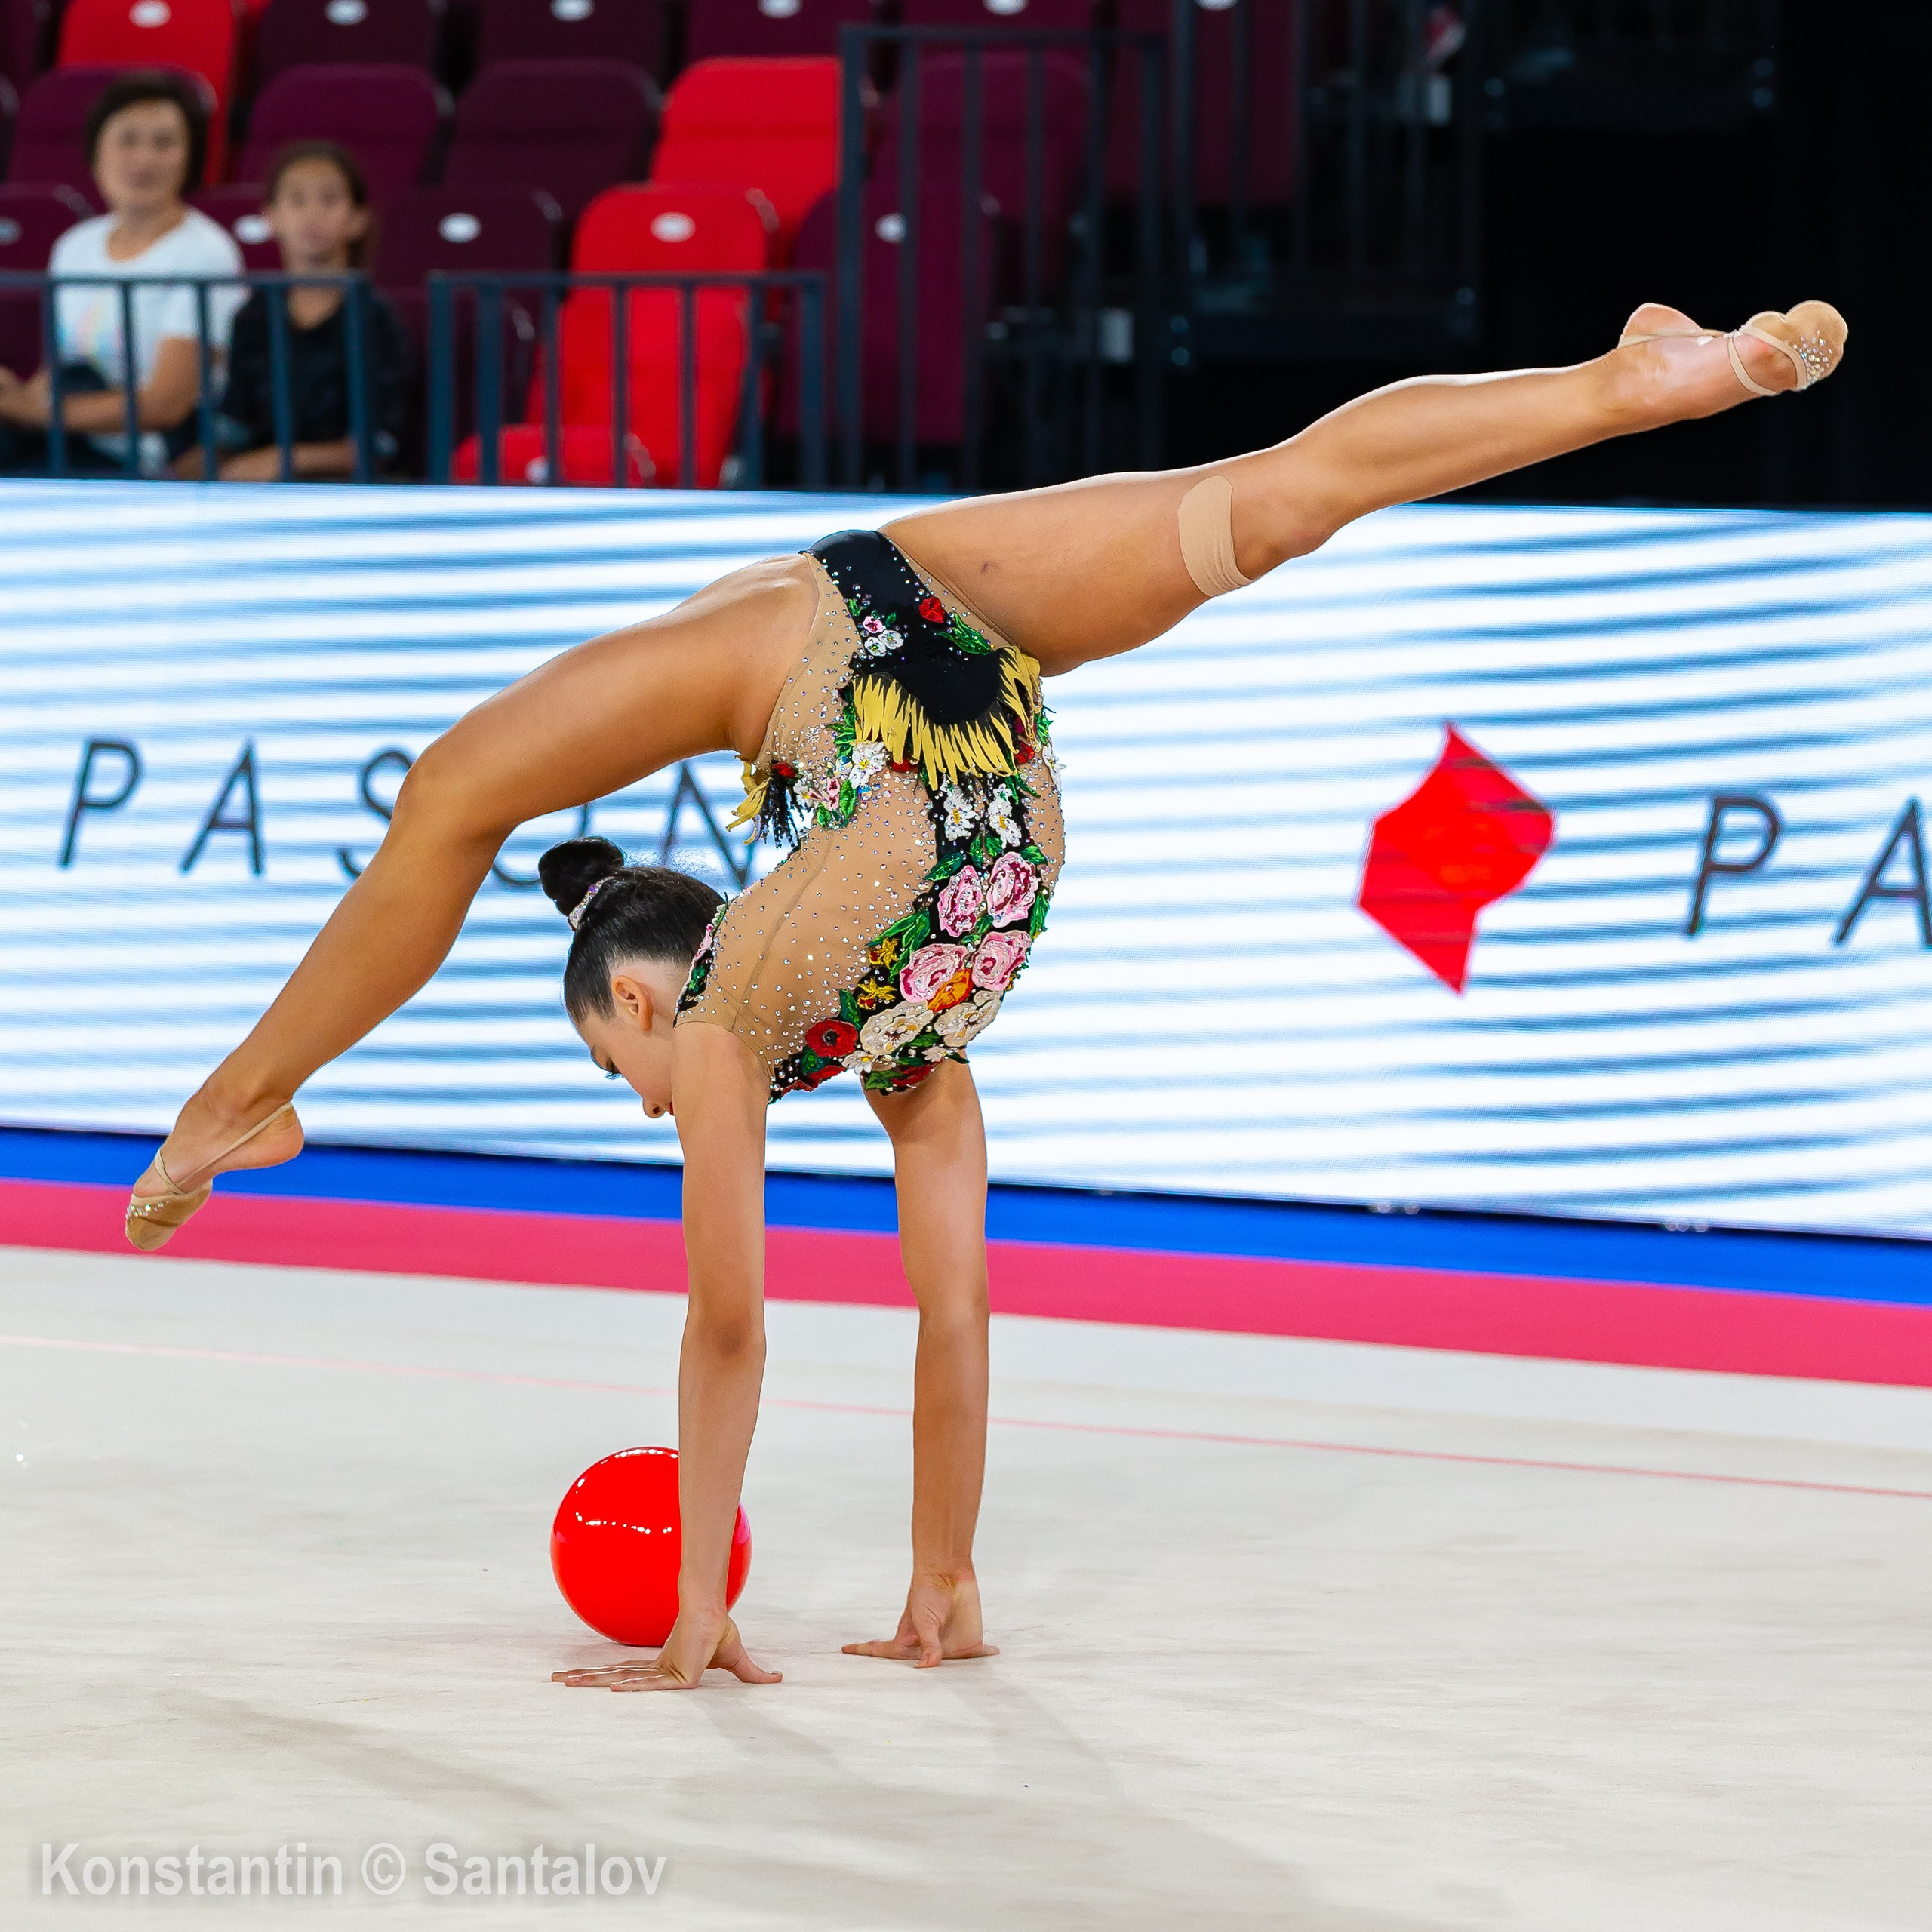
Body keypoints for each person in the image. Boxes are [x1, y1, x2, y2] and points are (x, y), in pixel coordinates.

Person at [121, 297, 1847, 1689]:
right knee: (1277, 489)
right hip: (947, 674)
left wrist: (697, 1614)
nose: (637, 1096)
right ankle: (1624, 385)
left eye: (610, 1067)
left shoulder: (763, 1019)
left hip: (947, 791)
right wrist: (935, 1558)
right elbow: (945, 1314)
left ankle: (232, 1100)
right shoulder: (865, 1022)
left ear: (641, 999)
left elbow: (747, 1321)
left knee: (447, 792)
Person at [0, 70, 242, 476]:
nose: (144, 159)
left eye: (164, 143)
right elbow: (58, 370)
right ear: (97, 153)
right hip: (68, 438)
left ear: (192, 157)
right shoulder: (73, 246)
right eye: (127, 140)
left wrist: (26, 409)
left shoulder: (206, 251)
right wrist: (15, 393)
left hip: (149, 458)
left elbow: (166, 404)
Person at [177, 141, 409, 482]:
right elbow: (236, 421)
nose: (312, 214)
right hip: (259, 489)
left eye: (329, 200)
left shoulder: (375, 318)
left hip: (347, 492)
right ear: (271, 217)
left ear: (358, 219)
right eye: (297, 200)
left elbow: (380, 444)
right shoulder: (253, 316)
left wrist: (286, 460)